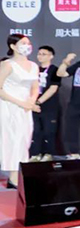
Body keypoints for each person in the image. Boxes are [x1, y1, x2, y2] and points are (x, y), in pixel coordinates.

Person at [0, 34, 40, 188]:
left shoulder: (33, 66)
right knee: (12, 139)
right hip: (9, 106)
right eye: (23, 43)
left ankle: (18, 175)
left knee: (24, 139)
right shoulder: (7, 65)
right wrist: (20, 103)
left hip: (25, 108)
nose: (27, 46)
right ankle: (13, 177)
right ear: (13, 46)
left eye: (28, 43)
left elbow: (35, 87)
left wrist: (31, 101)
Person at [30, 45, 61, 162]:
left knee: (49, 131)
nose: (40, 56)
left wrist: (39, 101)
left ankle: (48, 153)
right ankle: (35, 153)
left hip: (49, 106)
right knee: (36, 130)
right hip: (33, 105)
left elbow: (53, 88)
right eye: (39, 54)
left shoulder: (56, 70)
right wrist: (32, 103)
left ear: (51, 56)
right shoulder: (34, 70)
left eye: (44, 54)